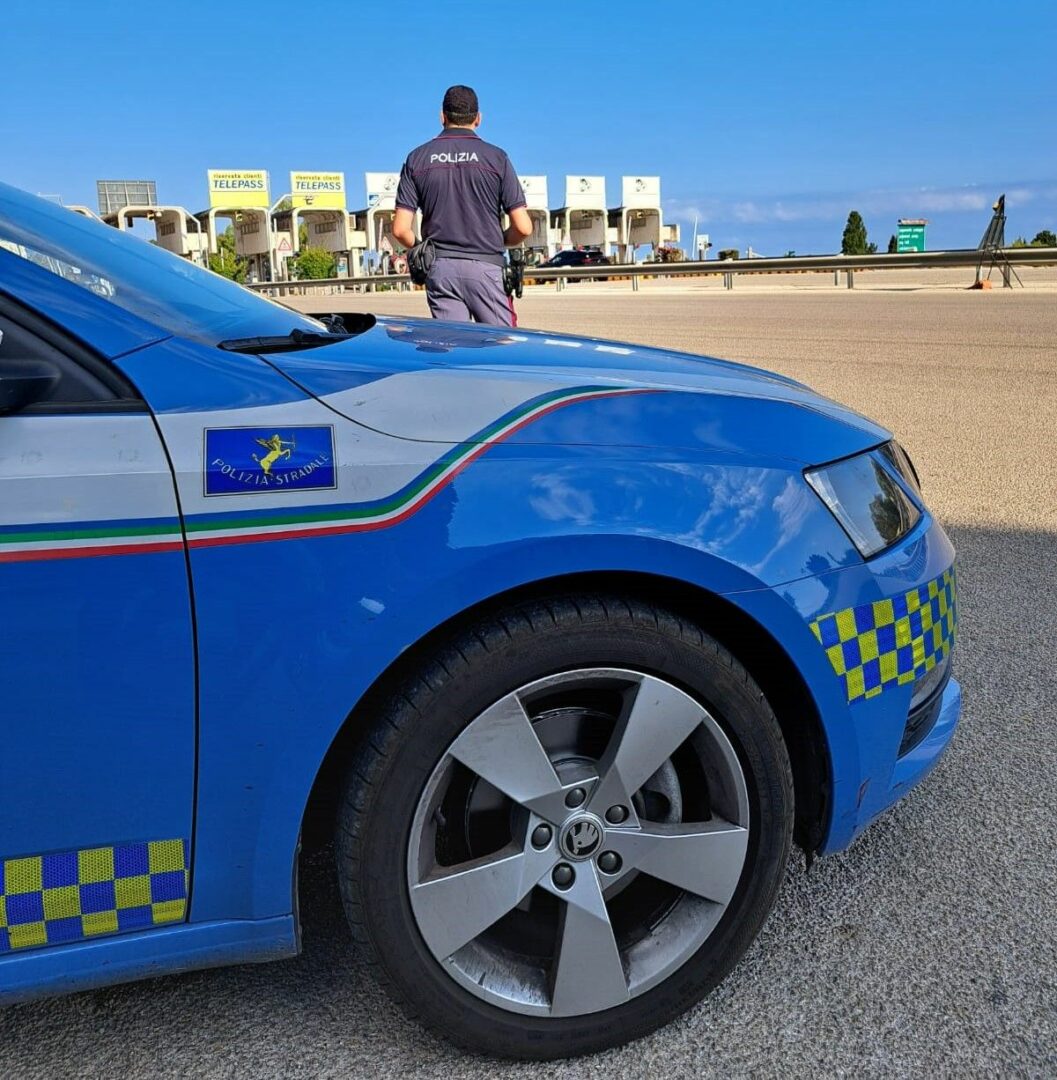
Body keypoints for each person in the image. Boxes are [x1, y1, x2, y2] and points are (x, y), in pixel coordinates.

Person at [392, 85, 532, 327]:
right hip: (486, 265)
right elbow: (524, 227)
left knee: (452, 350)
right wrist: (499, 240)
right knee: (502, 348)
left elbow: (400, 230)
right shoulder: (497, 158)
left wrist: (424, 249)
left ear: (442, 116)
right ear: (478, 118)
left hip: (440, 269)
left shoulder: (417, 158)